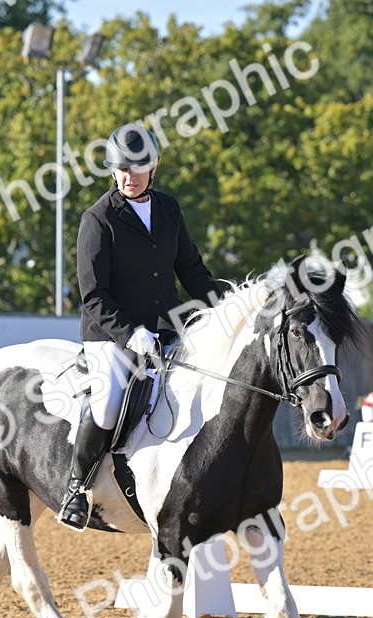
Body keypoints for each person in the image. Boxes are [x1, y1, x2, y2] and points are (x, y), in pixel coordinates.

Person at [58, 123, 226, 531]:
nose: (128, 177)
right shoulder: (97, 220)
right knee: (109, 402)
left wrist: (223, 307)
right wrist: (131, 333)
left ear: (153, 167)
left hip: (168, 326)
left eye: (137, 168)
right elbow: (93, 294)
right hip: (112, 333)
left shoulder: (168, 209)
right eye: (120, 170)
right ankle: (77, 489)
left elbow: (191, 270)